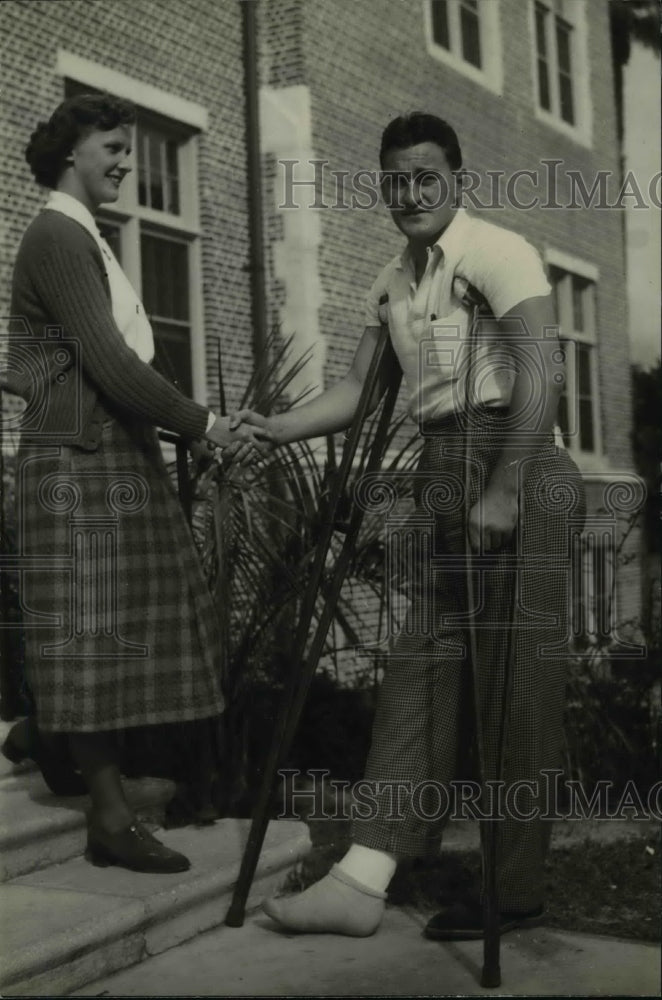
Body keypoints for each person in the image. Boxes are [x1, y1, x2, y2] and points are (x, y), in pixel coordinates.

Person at [239, 112, 586, 938]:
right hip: (441, 467)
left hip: (518, 460)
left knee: (511, 687)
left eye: (425, 176)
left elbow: (544, 370)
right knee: (420, 670)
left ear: (455, 179)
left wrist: (503, 489)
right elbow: (358, 389)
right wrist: (277, 426)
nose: (409, 192)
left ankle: (518, 888)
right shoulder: (393, 278)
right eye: (395, 178)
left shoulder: (497, 253)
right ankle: (364, 878)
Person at [1, 93, 269, 873]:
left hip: (108, 457)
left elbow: (115, 364)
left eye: (128, 147)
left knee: (112, 636)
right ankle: (110, 822)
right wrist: (206, 425)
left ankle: (47, 733)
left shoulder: (89, 236)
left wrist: (191, 426)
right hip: (76, 463)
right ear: (69, 153)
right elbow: (113, 366)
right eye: (112, 147)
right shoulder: (57, 234)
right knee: (90, 639)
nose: (126, 160)